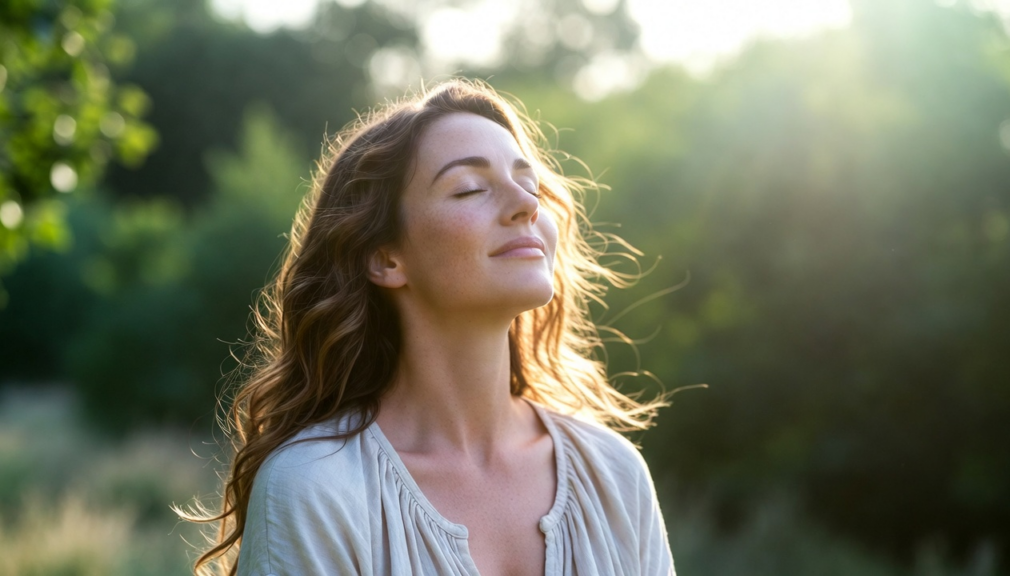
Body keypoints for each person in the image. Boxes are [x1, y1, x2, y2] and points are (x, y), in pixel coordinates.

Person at [185, 78, 675, 575]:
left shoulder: (615, 473)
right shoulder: (315, 486)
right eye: (470, 189)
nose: (526, 204)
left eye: (530, 185)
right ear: (385, 258)